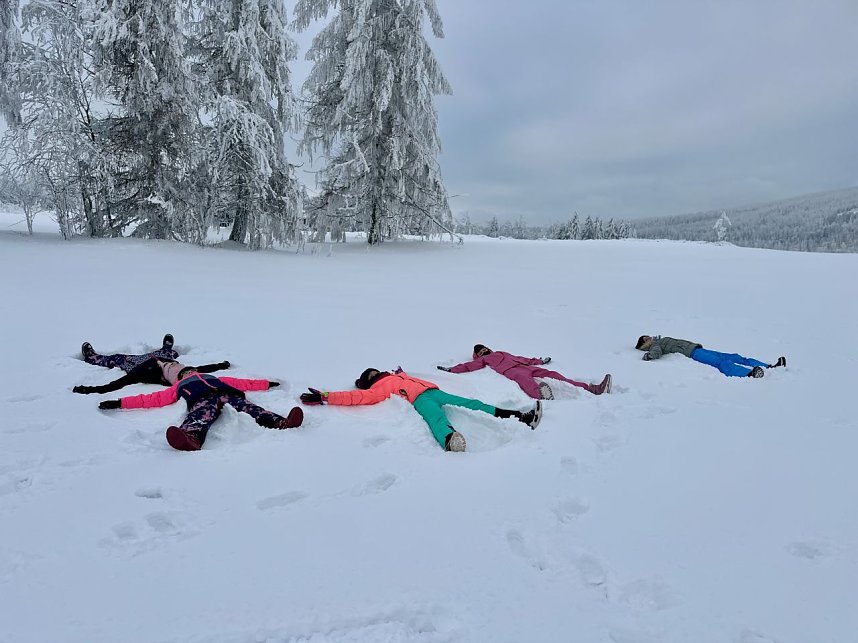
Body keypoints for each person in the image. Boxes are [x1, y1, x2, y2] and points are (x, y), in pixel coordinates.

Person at [299, 367, 543, 453]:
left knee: (474, 404)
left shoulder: (397, 375)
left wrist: (401, 373)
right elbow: (356, 397)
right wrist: (327, 397)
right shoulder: (378, 388)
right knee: (436, 419)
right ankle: (450, 440)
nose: (375, 373)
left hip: (434, 391)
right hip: (418, 399)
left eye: (374, 371)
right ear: (369, 381)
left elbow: (405, 376)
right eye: (371, 375)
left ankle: (521, 417)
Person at [97, 362, 303, 451]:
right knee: (199, 416)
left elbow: (242, 383)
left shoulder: (214, 377)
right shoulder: (178, 386)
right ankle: (191, 438)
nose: (190, 373)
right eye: (185, 373)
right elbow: (151, 398)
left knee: (251, 408)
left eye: (191, 370)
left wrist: (265, 384)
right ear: (179, 377)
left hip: (227, 394)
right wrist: (120, 402)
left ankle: (281, 422)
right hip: (203, 400)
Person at [437, 344, 611, 400]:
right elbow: (468, 366)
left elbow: (522, 358)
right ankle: (541, 395)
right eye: (481, 352)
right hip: (511, 371)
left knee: (555, 376)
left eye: (484, 349)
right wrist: (452, 369)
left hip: (524, 366)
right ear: (478, 355)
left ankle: (592, 388)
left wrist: (540, 361)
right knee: (526, 382)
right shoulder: (482, 360)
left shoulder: (501, 352)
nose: (484, 352)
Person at [635, 335, 787, 378]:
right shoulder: (655, 346)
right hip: (694, 353)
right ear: (644, 345)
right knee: (721, 363)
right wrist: (649, 356)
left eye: (648, 336)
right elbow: (656, 353)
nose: (649, 338)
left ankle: (769, 366)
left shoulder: (660, 339)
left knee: (734, 357)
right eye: (646, 339)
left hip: (697, 348)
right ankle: (749, 374)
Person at [80, 333, 179, 372]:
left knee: (118, 360)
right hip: (148, 363)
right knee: (155, 356)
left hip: (145, 370)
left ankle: (92, 358)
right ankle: (166, 350)